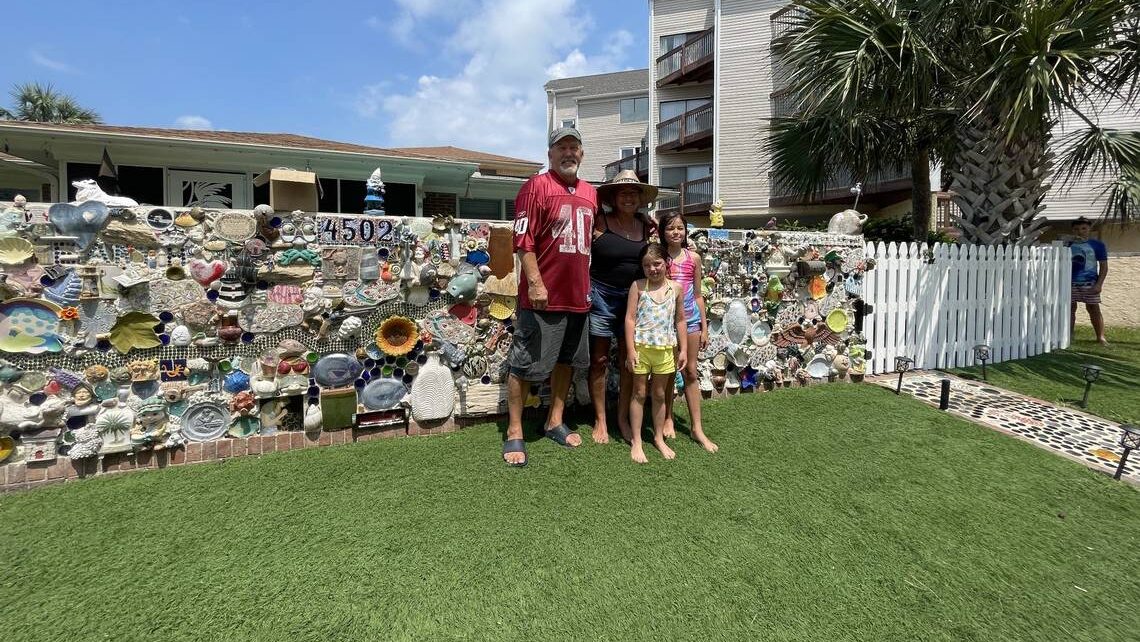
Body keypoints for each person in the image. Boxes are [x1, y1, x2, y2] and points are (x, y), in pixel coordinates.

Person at [502, 127, 597, 467]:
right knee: (525, 363)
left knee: (566, 361)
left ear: (582, 154)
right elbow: (522, 242)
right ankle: (514, 429)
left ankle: (554, 419)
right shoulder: (535, 187)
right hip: (542, 298)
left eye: (574, 147)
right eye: (562, 148)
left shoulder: (590, 193)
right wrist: (536, 283)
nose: (569, 153)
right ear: (550, 154)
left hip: (579, 297)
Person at [588, 169, 658, 445]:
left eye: (633, 192)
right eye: (622, 192)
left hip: (635, 299)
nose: (628, 197)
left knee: (628, 361)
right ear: (613, 197)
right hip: (601, 295)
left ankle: (622, 418)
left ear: (640, 198)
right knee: (599, 360)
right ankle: (601, 419)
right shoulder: (599, 222)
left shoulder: (647, 226)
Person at [659, 211, 718, 453]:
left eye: (680, 228)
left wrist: (704, 327)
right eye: (670, 228)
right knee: (668, 370)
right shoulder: (660, 258)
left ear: (686, 231)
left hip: (692, 319)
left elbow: (697, 294)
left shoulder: (693, 257)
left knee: (691, 370)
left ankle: (696, 428)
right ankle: (668, 417)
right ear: (662, 232)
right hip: (666, 321)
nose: (676, 232)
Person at [624, 243, 687, 464]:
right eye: (647, 265)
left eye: (657, 263)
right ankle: (638, 440)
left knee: (660, 395)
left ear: (666, 263)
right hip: (641, 349)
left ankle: (659, 438)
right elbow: (630, 319)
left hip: (665, 350)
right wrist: (631, 350)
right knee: (639, 393)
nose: (653, 269)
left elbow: (680, 320)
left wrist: (683, 350)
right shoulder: (639, 286)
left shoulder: (676, 289)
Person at [1068, 216, 1109, 345]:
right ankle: (1069, 335)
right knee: (1069, 309)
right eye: (1076, 229)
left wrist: (1099, 284)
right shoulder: (1067, 244)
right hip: (1069, 282)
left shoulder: (1097, 245)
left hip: (1090, 282)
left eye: (1083, 228)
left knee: (1093, 309)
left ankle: (1101, 337)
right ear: (1073, 230)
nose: (1080, 231)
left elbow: (1103, 265)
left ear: (1089, 229)